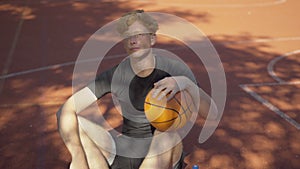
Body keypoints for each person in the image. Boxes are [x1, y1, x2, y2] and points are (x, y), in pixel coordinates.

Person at [56, 10, 217, 169]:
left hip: (162, 150)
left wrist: (187, 84)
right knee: (78, 124)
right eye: (128, 36)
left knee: (167, 134)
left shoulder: (174, 69)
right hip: (124, 150)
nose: (133, 40)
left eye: (139, 34)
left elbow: (212, 113)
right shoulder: (116, 74)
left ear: (152, 38)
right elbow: (66, 109)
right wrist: (78, 156)